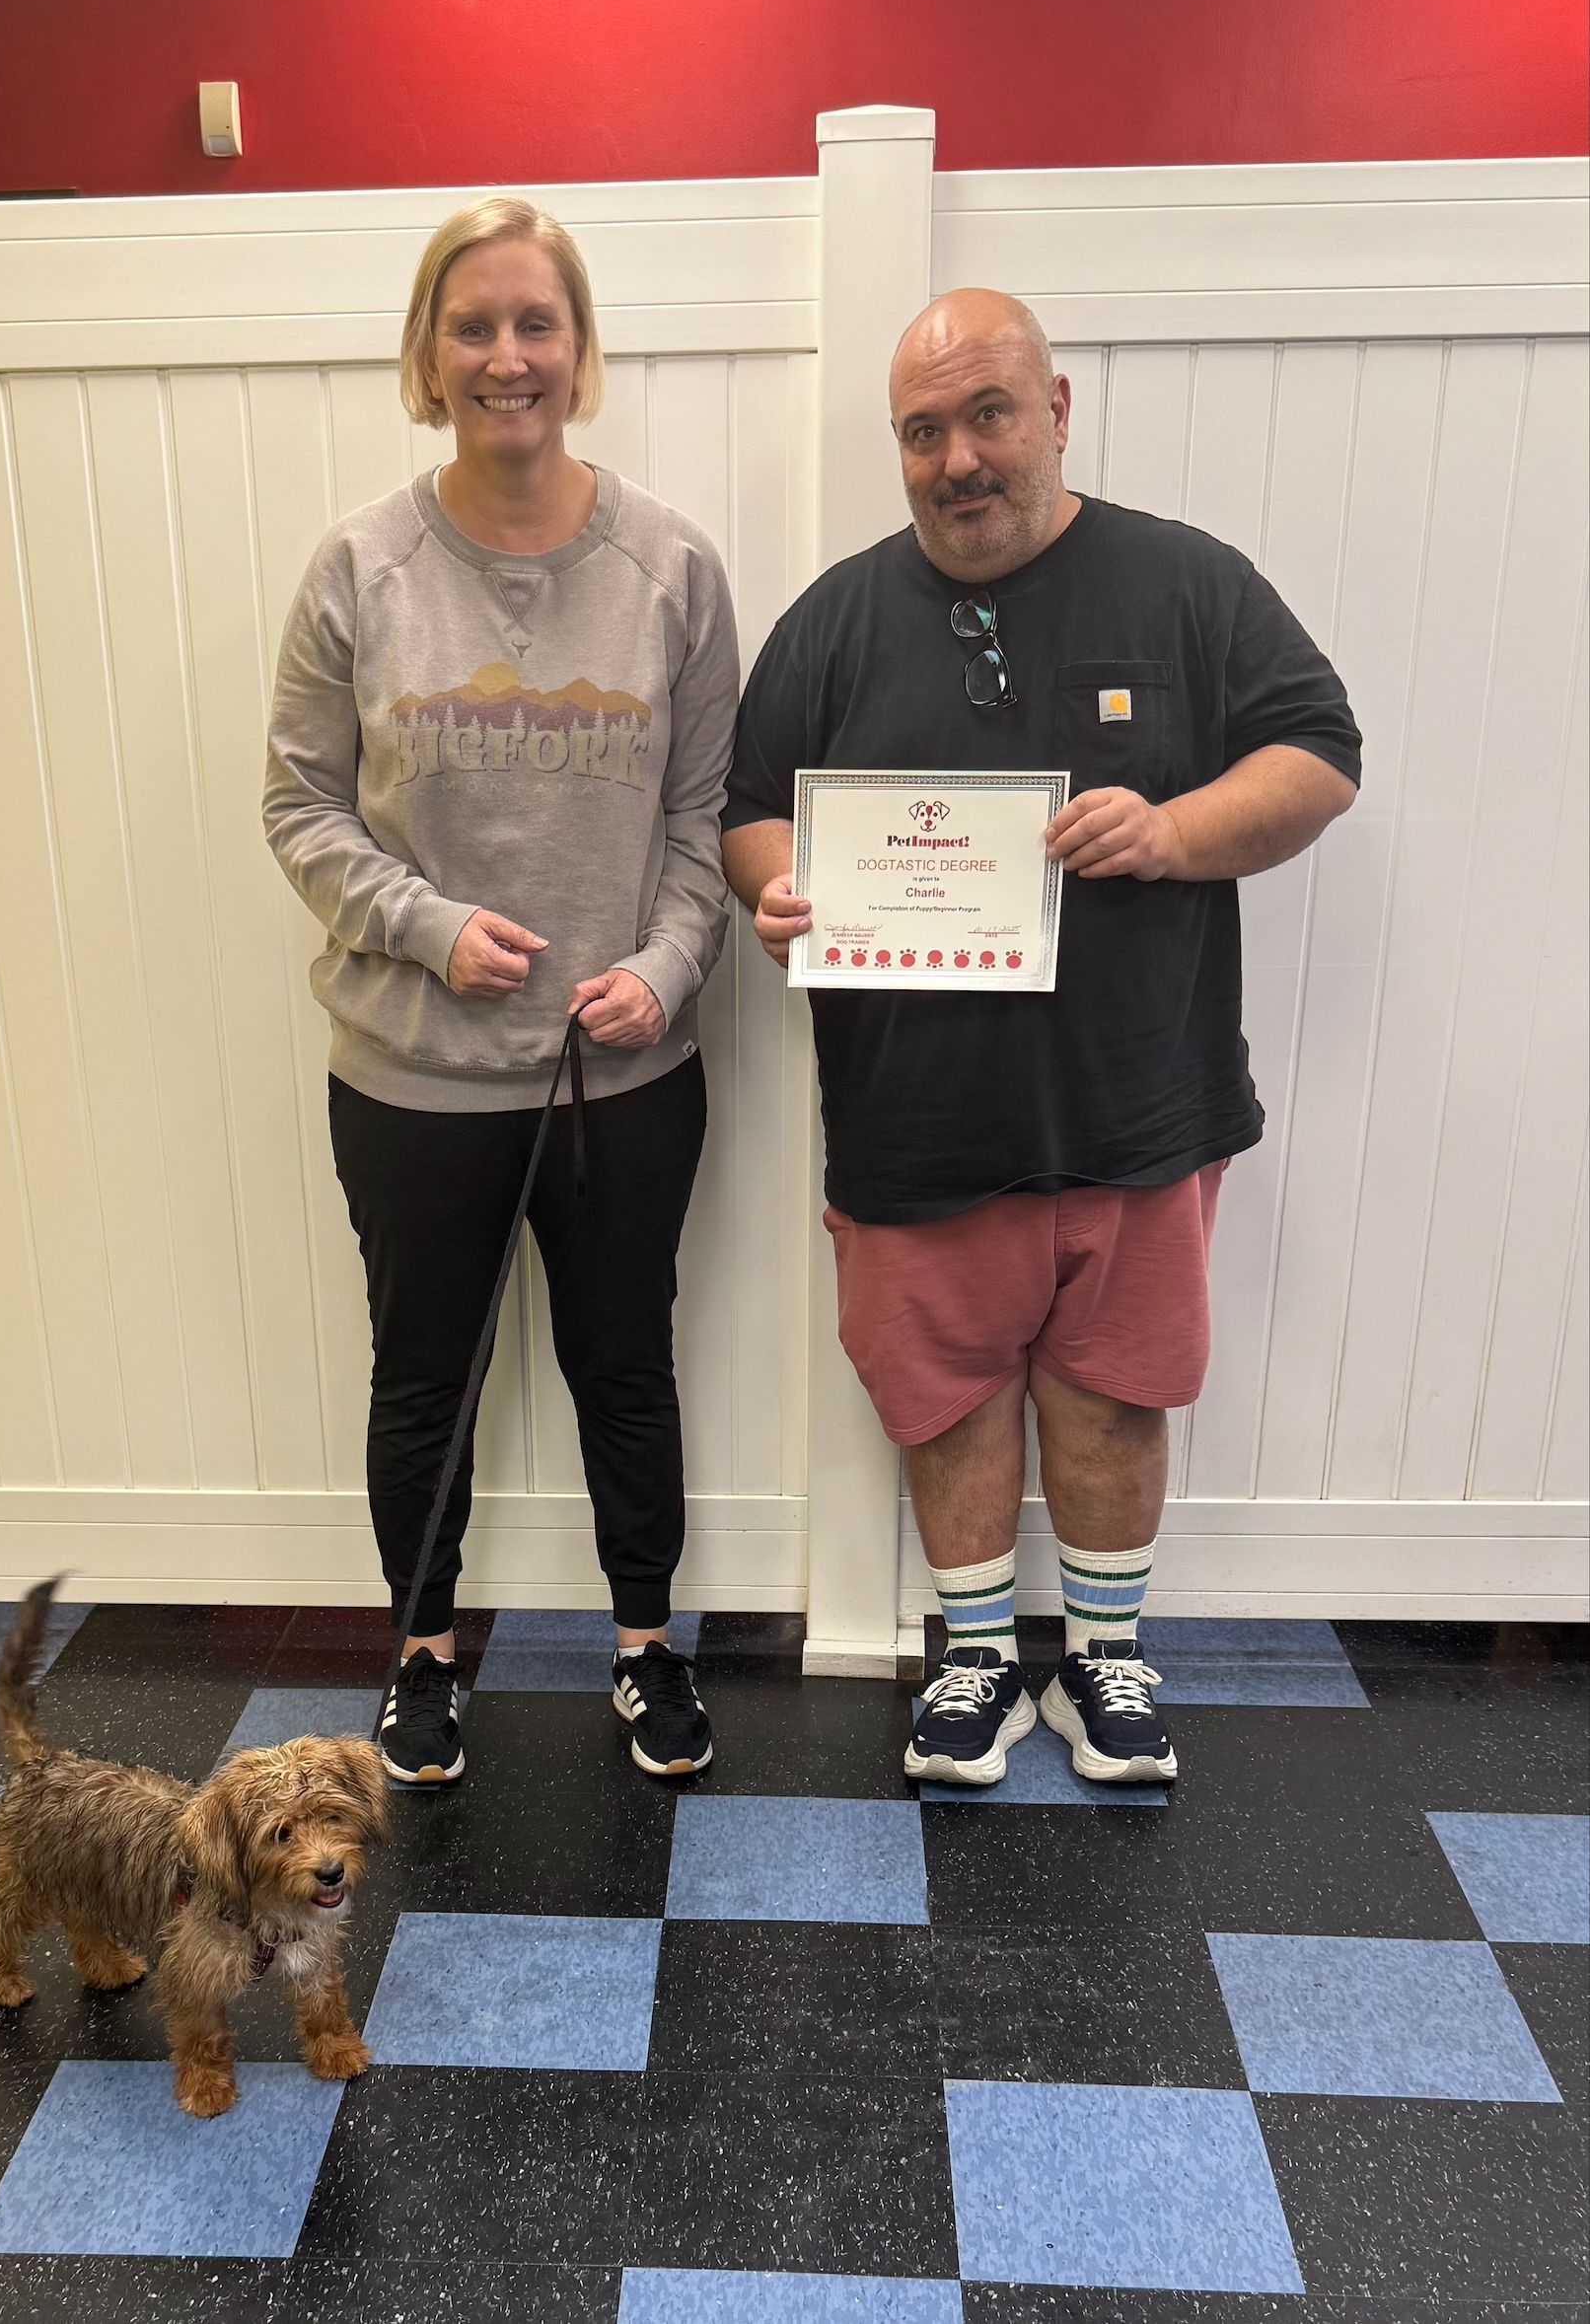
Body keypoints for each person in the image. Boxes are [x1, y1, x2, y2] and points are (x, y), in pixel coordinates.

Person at [722, 288, 1359, 1787]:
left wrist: (1175, 830)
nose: (959, 459)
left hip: (1139, 1104)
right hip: (914, 1115)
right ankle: (976, 1662)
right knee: (942, 1397)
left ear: (1056, 410)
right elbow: (748, 810)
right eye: (923, 431)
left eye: (989, 415)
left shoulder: (1188, 583)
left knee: (1115, 1390)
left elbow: (1319, 754)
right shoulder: (834, 619)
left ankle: (1106, 1660)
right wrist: (780, 890)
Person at [265, 197, 738, 1788]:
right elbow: (298, 806)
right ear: (429, 353)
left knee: (627, 1366)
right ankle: (421, 1658)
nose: (507, 355)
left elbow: (704, 817)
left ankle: (646, 1646)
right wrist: (424, 926)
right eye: (472, 325)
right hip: (411, 1076)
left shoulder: (673, 567)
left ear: (580, 349)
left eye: (537, 322)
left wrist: (665, 970)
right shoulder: (360, 567)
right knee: (423, 1382)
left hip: (624, 1079)